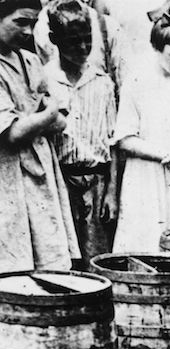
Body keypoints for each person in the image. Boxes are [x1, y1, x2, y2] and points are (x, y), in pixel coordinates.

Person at [112, 12, 170, 252]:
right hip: (146, 175)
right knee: (145, 244)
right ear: (157, 48)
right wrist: (167, 155)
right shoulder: (137, 81)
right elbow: (125, 138)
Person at [0, 0, 80, 273]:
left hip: (40, 170)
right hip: (6, 173)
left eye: (33, 24)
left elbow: (60, 123)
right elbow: (13, 132)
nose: (27, 30)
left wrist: (43, 117)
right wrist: (48, 112)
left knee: (46, 256)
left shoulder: (31, 61)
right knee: (11, 256)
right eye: (20, 21)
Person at [44, 0, 117, 267]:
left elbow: (113, 142)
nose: (83, 48)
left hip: (96, 183)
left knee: (96, 259)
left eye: (88, 40)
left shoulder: (102, 82)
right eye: (74, 42)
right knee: (62, 259)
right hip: (60, 181)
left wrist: (111, 192)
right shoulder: (45, 80)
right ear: (55, 39)